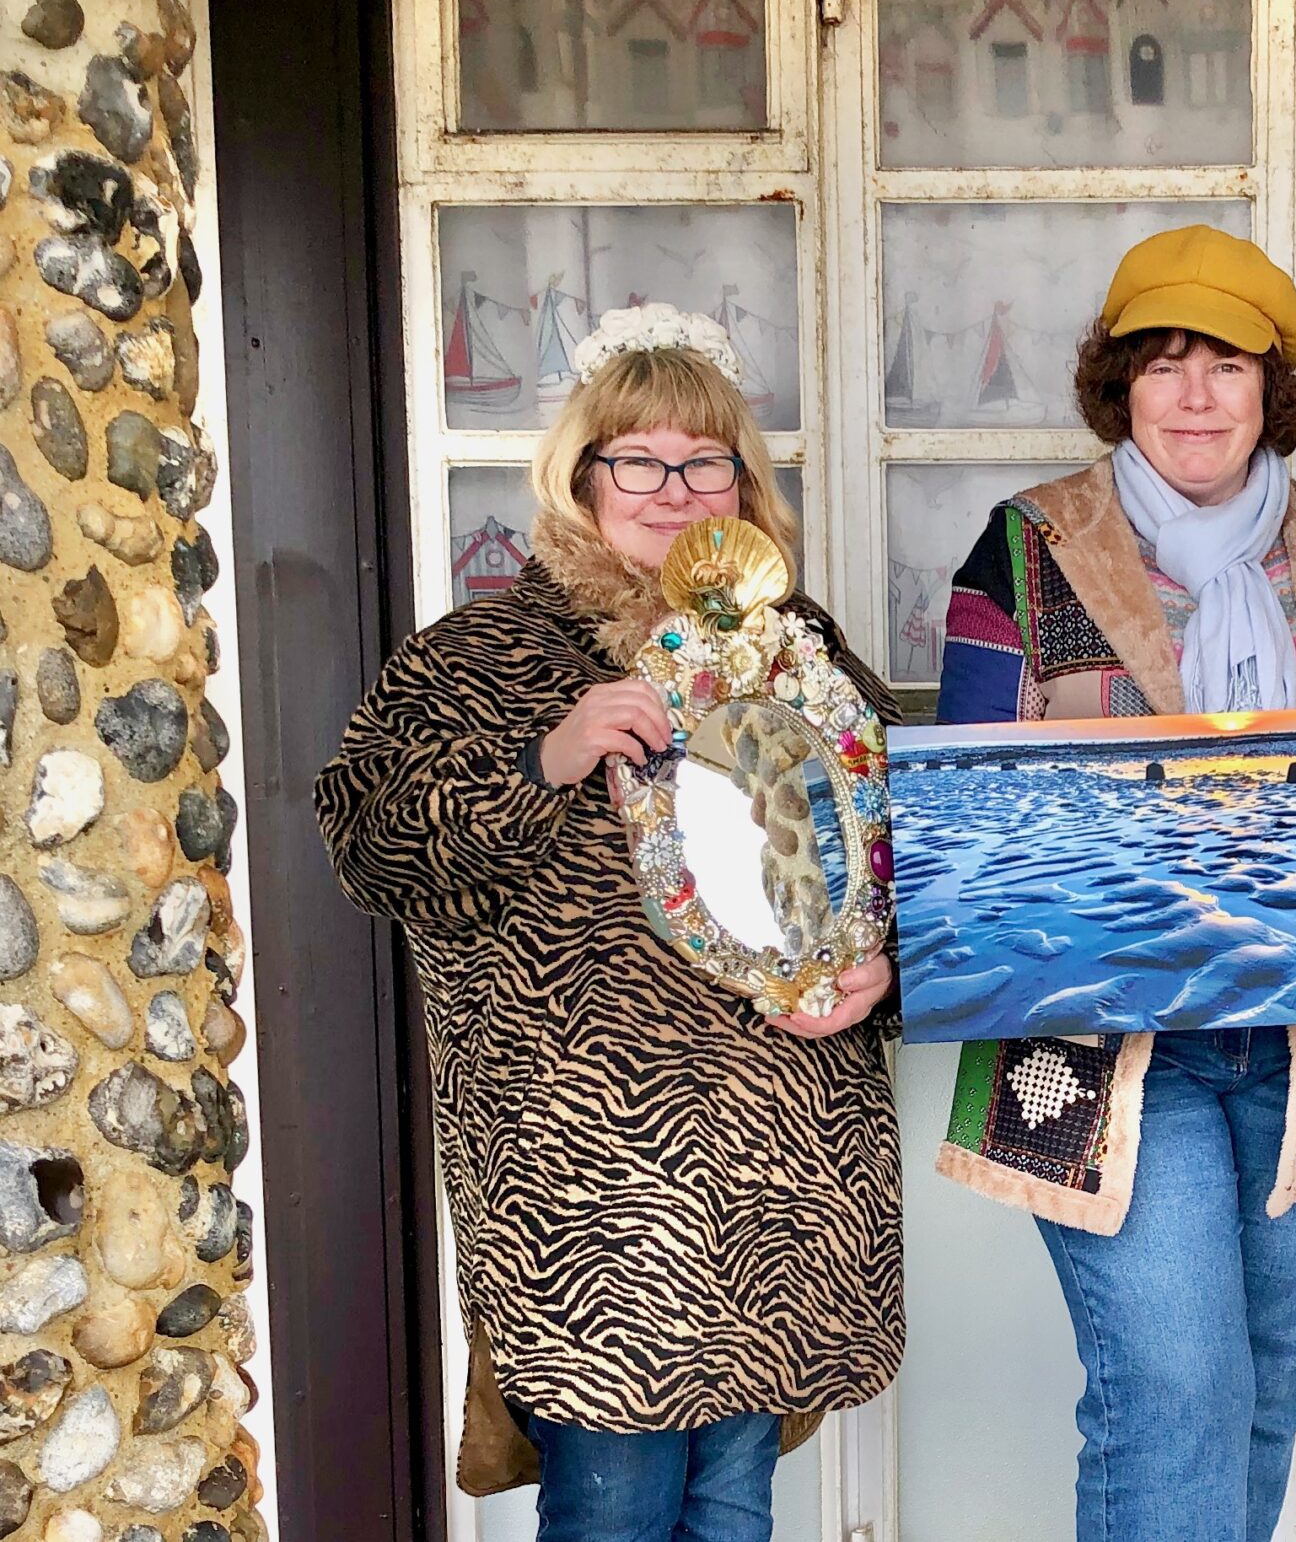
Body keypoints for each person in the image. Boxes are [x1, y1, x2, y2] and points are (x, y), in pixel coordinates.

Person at [316, 307, 902, 1542]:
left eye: (706, 460)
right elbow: (372, 842)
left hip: (776, 1174)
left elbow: (894, 856)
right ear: (581, 475)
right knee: (617, 1508)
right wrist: (547, 754)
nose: (675, 489)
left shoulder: (799, 653)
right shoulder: (479, 656)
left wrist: (880, 971)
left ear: (742, 482)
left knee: (733, 1505)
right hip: (592, 1176)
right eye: (639, 458)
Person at [933, 225, 1296, 1542]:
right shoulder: (1026, 548)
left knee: (1262, 1398)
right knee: (1173, 1386)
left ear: (1274, 387)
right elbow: (977, 821)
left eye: (1227, 361)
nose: (1198, 392)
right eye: (1164, 362)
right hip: (1098, 1052)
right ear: (1120, 385)